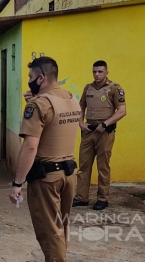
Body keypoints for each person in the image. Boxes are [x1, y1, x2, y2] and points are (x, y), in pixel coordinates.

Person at [9, 56, 81, 261]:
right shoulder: (71, 98)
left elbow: (31, 146)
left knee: (50, 235)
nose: (29, 80)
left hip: (46, 178)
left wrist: (17, 183)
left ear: (41, 78)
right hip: (69, 174)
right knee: (60, 230)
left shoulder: (39, 105)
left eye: (31, 76)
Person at [73, 60, 126, 210]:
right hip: (88, 131)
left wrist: (105, 124)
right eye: (94, 71)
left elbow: (122, 111)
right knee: (84, 165)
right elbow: (81, 106)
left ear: (106, 72)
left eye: (100, 71)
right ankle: (81, 197)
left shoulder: (115, 89)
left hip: (105, 132)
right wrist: (81, 123)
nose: (97, 74)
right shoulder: (88, 88)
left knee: (103, 166)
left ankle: (103, 198)